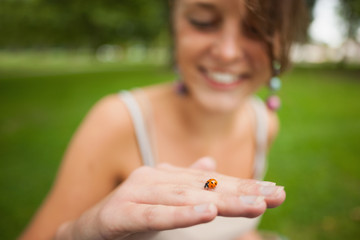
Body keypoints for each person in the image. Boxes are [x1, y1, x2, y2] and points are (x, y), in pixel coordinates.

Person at [19, 0, 308, 239]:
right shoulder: (115, 121)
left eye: (257, 29)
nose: (227, 52)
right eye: (203, 21)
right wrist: (76, 234)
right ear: (173, 23)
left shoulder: (265, 124)